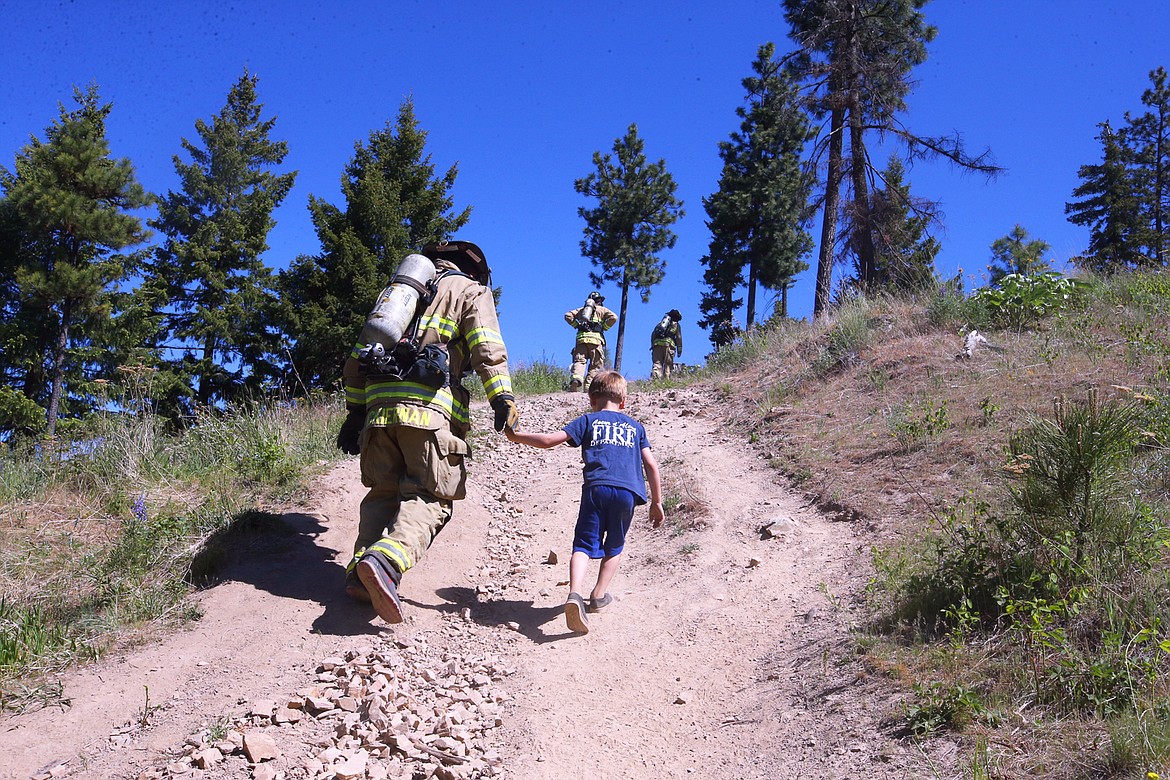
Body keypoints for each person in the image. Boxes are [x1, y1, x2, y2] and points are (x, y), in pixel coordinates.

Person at [336, 240, 520, 624]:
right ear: (476, 270)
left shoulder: (397, 295)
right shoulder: (470, 290)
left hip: (378, 409)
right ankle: (385, 563)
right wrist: (502, 399)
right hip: (429, 410)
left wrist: (354, 415)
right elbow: (486, 347)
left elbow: (356, 360)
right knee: (432, 496)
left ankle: (359, 574)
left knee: (383, 493)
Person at [504, 371, 663, 635]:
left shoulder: (588, 420)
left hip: (596, 488)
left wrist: (517, 436)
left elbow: (548, 441)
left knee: (583, 544)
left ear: (592, 399)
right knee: (614, 547)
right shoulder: (636, 427)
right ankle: (598, 596)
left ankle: (574, 594)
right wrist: (657, 502)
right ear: (623, 402)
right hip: (627, 493)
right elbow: (651, 466)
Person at [564, 291, 617, 392]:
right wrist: (604, 327)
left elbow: (568, 315)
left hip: (581, 340)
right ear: (599, 301)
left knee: (580, 361)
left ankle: (576, 379)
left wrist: (576, 325)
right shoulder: (602, 310)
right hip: (595, 340)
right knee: (595, 364)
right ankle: (589, 386)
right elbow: (614, 317)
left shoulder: (582, 310)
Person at [650, 309, 683, 380]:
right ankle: (666, 381)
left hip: (657, 345)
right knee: (668, 364)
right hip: (669, 345)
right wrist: (679, 350)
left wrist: (653, 345)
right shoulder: (676, 325)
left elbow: (653, 334)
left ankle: (655, 380)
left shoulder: (660, 324)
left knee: (657, 363)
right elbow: (679, 338)